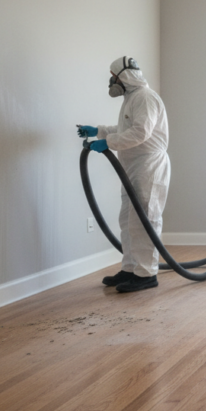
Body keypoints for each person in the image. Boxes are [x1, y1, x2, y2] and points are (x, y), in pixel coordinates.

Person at [77, 56, 170, 293]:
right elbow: (126, 129)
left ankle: (146, 273)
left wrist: (109, 142)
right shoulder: (132, 98)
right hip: (133, 166)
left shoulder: (145, 98)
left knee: (144, 219)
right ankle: (130, 269)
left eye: (114, 76)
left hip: (148, 166)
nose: (111, 81)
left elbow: (140, 132)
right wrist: (99, 131)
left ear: (124, 76)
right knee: (128, 220)